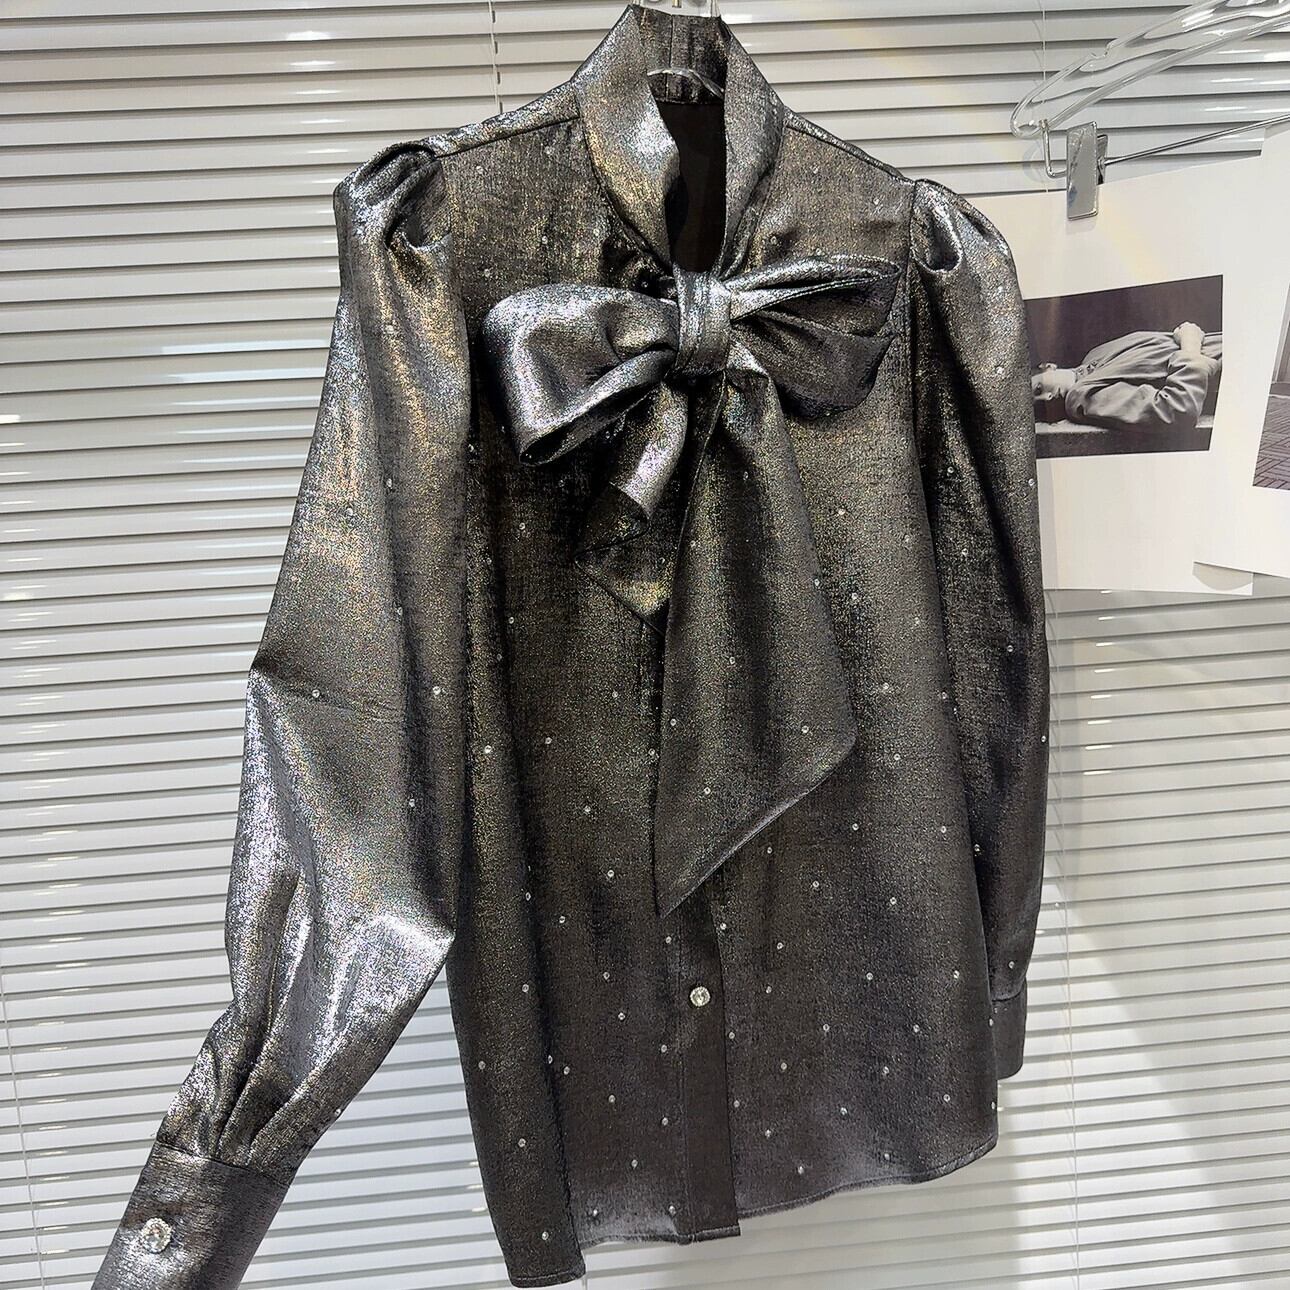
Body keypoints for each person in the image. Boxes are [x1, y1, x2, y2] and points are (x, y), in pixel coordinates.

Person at [1032, 322, 1223, 433]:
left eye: (1038, 389)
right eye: (1038, 409)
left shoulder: (1096, 354)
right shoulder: (1079, 397)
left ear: (1048, 367)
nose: (1048, 398)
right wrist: (1190, 343)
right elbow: (1176, 409)